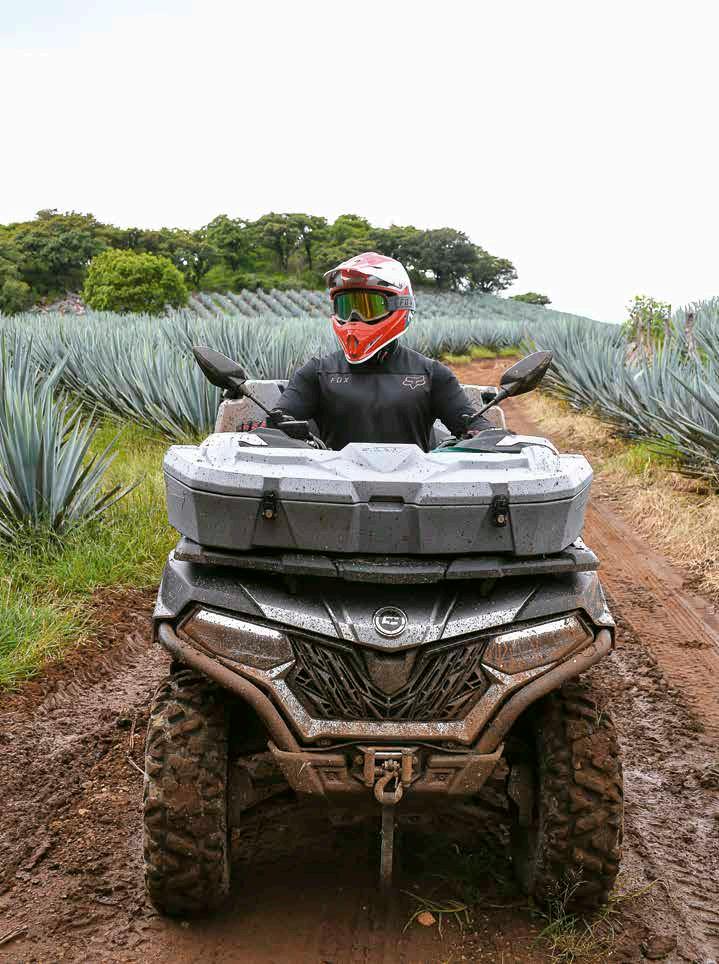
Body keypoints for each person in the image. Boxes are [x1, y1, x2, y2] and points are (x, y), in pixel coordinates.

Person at [270, 252, 493, 450]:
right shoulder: (317, 373)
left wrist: (485, 434)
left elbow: (474, 426)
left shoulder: (432, 374)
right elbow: (274, 427)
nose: (354, 318)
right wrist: (274, 429)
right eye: (346, 307)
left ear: (400, 305)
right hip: (335, 484)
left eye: (368, 308)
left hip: (415, 482)